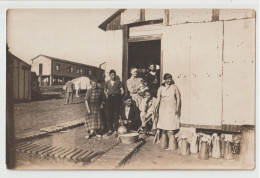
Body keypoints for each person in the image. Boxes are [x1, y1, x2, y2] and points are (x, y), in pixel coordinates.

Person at [155, 73, 181, 144]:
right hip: (163, 108)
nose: (169, 80)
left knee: (171, 124)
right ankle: (163, 141)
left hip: (172, 107)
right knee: (163, 124)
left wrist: (177, 107)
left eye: (170, 79)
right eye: (167, 79)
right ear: (165, 80)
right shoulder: (161, 88)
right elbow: (158, 98)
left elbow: (178, 98)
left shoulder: (174, 87)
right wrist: (155, 108)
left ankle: (171, 141)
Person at [104, 69, 124, 136]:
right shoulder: (107, 82)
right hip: (109, 99)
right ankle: (110, 129)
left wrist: (120, 95)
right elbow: (105, 90)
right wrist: (106, 94)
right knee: (109, 114)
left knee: (116, 114)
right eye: (112, 75)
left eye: (114, 75)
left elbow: (122, 90)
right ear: (109, 75)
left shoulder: (118, 82)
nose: (113, 76)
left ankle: (115, 130)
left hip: (116, 99)